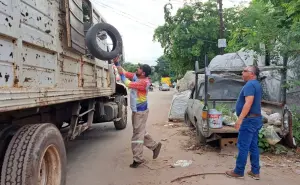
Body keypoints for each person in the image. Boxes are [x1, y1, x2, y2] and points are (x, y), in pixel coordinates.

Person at [113, 56, 162, 168]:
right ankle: (154, 146)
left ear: (143, 73)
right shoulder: (136, 76)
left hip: (140, 112)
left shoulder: (144, 82)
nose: (137, 68)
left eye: (139, 68)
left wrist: (121, 75)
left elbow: (126, 83)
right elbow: (124, 73)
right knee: (140, 132)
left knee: (137, 136)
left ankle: (138, 158)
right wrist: (117, 63)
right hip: (138, 111)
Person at [226, 66, 263, 180]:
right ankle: (255, 171)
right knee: (253, 146)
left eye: (245, 71)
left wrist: (240, 119)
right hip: (256, 119)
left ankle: (238, 171)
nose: (242, 73)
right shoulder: (256, 84)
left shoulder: (250, 85)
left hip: (249, 120)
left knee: (243, 146)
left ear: (252, 74)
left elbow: (248, 103)